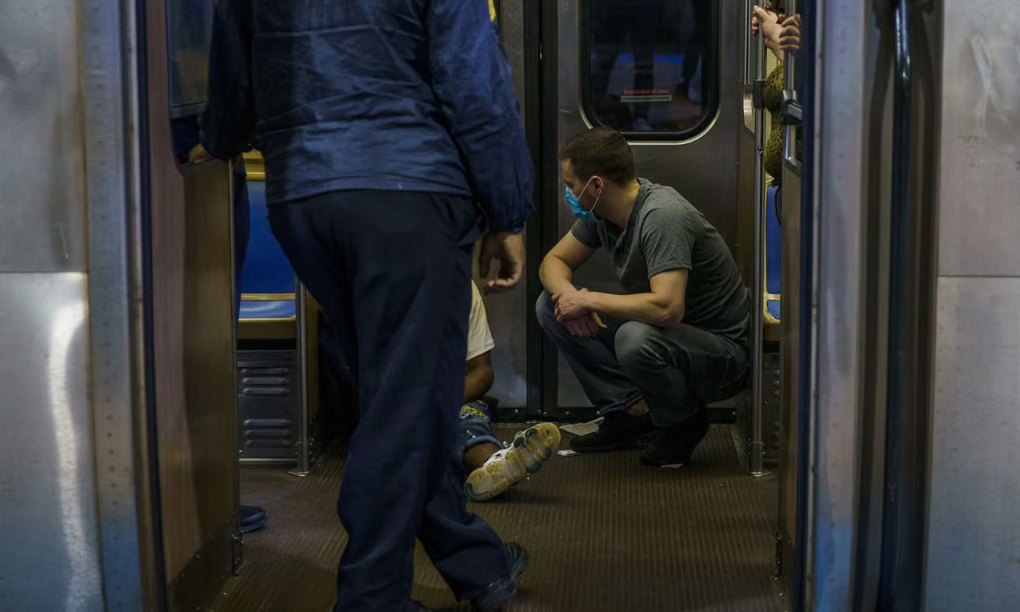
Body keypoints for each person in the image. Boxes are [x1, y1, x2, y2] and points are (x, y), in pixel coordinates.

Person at [199, 1, 535, 611]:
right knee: (408, 402)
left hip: (302, 199)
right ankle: (371, 598)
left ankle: (477, 567)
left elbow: (235, 76)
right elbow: (473, 83)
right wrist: (507, 209)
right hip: (408, 191)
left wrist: (216, 138)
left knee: (398, 397)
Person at [537, 128, 749, 467]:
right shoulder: (602, 215)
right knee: (551, 304)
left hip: (723, 357)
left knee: (633, 337)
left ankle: (682, 423)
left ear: (596, 186)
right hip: (671, 339)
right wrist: (569, 296)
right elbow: (553, 262)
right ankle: (629, 412)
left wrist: (588, 301)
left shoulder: (661, 216)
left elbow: (667, 309)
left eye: (571, 184)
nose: (569, 193)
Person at [459, 282, 561, 502]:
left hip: (443, 396)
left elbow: (481, 372)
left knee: (468, 416)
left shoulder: (459, 286)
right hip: (385, 398)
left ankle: (496, 465)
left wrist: (438, 401)